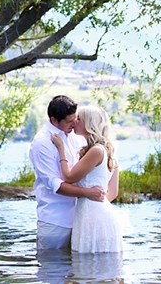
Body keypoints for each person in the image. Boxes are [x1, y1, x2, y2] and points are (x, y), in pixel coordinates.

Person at [29, 95, 105, 250]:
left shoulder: (75, 137)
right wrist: (87, 192)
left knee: (78, 271)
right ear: (54, 120)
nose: (74, 124)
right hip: (56, 220)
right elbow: (56, 185)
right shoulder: (42, 143)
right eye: (69, 121)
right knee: (51, 270)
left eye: (75, 119)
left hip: (80, 220)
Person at [51, 105, 123, 253]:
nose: (74, 121)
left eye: (78, 119)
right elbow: (113, 193)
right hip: (102, 214)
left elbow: (68, 177)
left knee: (87, 265)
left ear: (89, 124)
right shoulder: (109, 151)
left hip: (93, 216)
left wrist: (61, 149)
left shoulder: (96, 150)